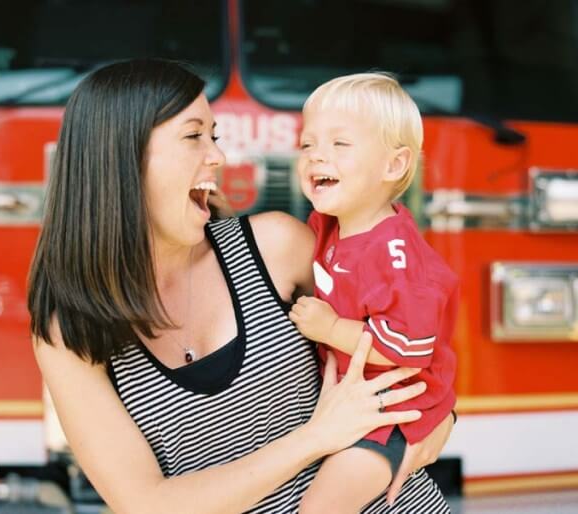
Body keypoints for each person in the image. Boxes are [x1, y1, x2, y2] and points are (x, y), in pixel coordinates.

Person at [28, 59, 454, 514]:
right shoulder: (68, 332)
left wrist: (441, 420)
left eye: (214, 138)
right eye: (194, 137)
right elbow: (146, 505)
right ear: (118, 157)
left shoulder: (277, 246)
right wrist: (315, 439)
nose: (218, 157)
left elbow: (412, 339)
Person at [288, 73, 458, 513]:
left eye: (340, 144)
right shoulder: (328, 227)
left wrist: (329, 328)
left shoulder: (397, 254)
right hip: (359, 403)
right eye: (308, 145)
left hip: (396, 412)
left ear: (394, 166)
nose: (316, 156)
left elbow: (409, 347)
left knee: (320, 508)